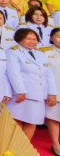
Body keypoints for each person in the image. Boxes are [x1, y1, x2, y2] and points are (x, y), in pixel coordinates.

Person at [6, 27, 58, 142]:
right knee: (17, 120)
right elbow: (13, 73)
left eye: (34, 39)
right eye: (28, 39)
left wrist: (52, 93)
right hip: (22, 95)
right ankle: (13, 149)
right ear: (19, 39)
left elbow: (48, 75)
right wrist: (20, 91)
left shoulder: (40, 54)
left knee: (32, 121)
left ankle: (23, 149)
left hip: (39, 94)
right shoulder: (13, 52)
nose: (32, 41)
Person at [43, 27, 60, 156]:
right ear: (51, 38)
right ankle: (55, 144)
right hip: (55, 90)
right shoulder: (44, 52)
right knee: (54, 117)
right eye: (58, 36)